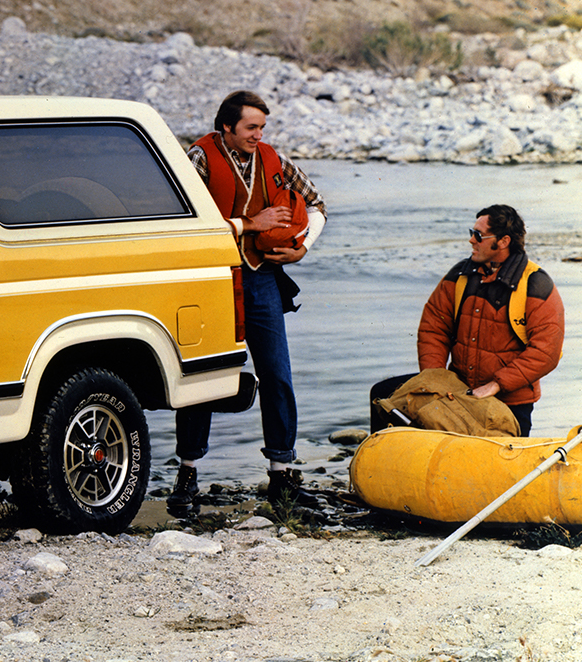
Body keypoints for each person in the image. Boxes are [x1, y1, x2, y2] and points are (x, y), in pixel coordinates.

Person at [168, 90, 328, 514]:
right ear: (226, 127)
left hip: (261, 279)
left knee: (277, 374)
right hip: (213, 280)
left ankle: (281, 475)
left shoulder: (273, 159)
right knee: (203, 378)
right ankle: (186, 474)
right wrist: (247, 224)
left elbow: (317, 204)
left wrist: (302, 248)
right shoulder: (198, 159)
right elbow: (179, 222)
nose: (259, 135)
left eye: (262, 127)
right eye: (250, 128)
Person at [369, 205, 564, 437]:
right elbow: (434, 329)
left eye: (478, 235)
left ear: (503, 241)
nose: (471, 240)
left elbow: (546, 352)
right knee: (381, 395)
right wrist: (436, 380)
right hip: (458, 393)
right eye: (471, 232)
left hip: (509, 402)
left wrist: (496, 385)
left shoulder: (536, 285)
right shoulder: (459, 276)